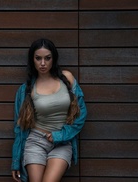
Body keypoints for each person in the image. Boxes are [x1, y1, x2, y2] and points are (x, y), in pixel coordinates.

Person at [11, 38, 87, 182]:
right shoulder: (25, 90)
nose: (43, 63)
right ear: (32, 60)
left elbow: (81, 114)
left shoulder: (67, 78)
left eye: (47, 58)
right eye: (38, 58)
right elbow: (19, 128)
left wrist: (60, 135)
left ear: (54, 58)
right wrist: (15, 161)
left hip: (62, 142)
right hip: (35, 141)